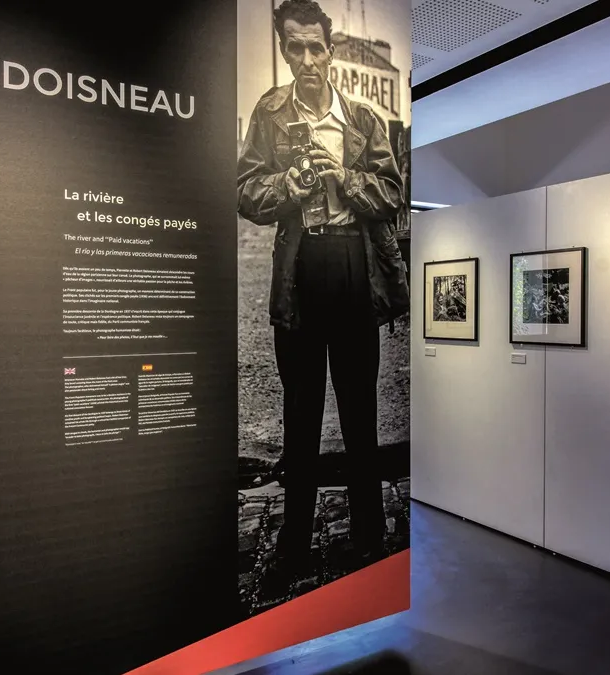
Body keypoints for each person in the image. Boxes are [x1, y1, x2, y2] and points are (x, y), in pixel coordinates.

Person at [237, 0, 408, 588]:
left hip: (355, 267)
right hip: (301, 270)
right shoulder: (270, 113)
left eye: (316, 47)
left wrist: (344, 177)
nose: (307, 59)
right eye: (295, 47)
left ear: (330, 49)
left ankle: (368, 536)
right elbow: (245, 192)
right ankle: (294, 546)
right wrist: (290, 182)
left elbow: (392, 194)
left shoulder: (362, 119)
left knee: (360, 411)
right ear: (284, 50)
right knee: (301, 412)